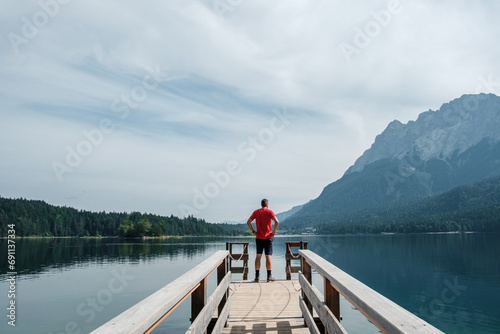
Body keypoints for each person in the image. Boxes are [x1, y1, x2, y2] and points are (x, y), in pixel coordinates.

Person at [246, 198, 279, 282]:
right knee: (268, 256)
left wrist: (253, 231)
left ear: (261, 204)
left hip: (259, 237)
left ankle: (257, 277)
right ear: (267, 205)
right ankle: (269, 277)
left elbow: (248, 222)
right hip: (268, 237)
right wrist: (273, 232)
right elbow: (277, 222)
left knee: (258, 255)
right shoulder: (269, 212)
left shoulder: (256, 212)